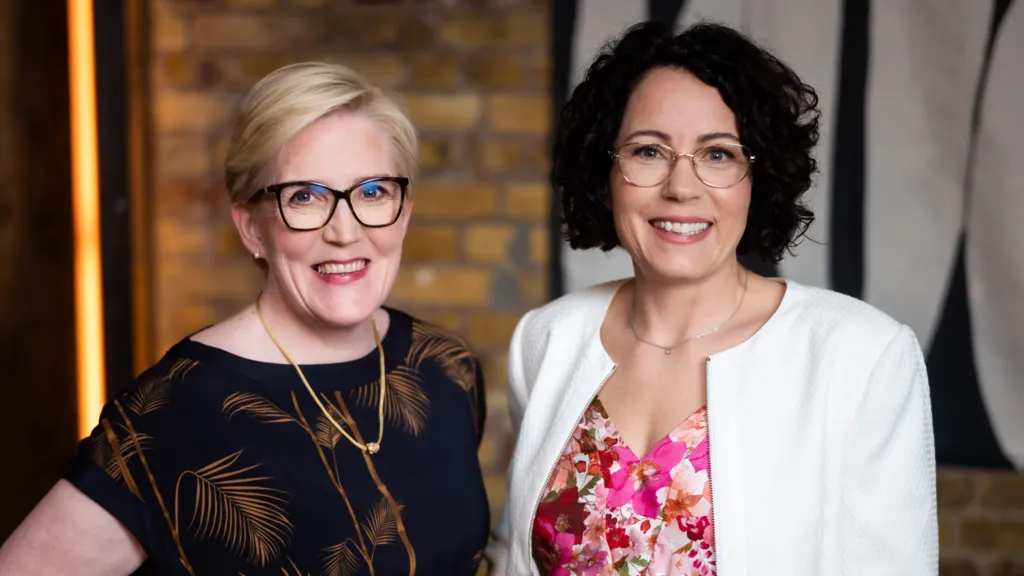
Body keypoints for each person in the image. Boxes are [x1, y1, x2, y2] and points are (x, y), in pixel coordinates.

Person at [0, 62, 490, 575]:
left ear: (404, 211)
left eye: (372, 192)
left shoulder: (445, 365)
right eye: (305, 196)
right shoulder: (177, 409)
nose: (345, 232)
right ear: (252, 227)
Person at [487, 21, 937, 575]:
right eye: (648, 151)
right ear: (605, 173)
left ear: (757, 177)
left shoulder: (862, 356)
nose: (681, 187)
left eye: (718, 154)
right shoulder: (547, 339)